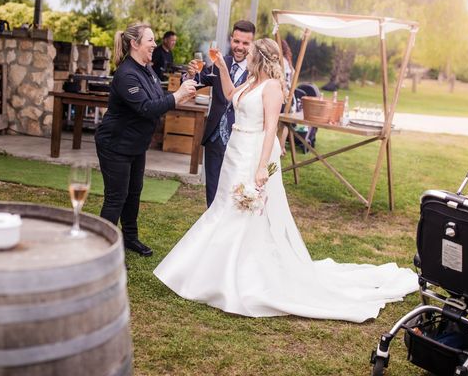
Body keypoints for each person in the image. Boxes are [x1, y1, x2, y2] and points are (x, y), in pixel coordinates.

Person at [154, 38, 417, 321]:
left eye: (251, 53)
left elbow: (270, 129)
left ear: (261, 58)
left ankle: (237, 278)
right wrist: (221, 68)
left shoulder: (272, 88)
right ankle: (211, 272)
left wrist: (262, 166)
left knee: (242, 212)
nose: (246, 56)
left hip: (253, 152)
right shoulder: (250, 82)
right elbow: (231, 97)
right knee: (223, 207)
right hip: (235, 150)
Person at [95, 23, 197, 257]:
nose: (154, 44)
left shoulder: (146, 69)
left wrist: (184, 85)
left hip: (136, 145)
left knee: (134, 192)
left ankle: (130, 238)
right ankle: (102, 249)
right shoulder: (126, 74)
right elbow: (146, 108)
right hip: (115, 145)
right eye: (150, 40)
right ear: (135, 44)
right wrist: (178, 95)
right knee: (116, 198)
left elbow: (158, 99)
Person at [185, 20, 255, 207]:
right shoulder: (219, 62)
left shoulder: (256, 70)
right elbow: (200, 80)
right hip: (214, 136)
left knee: (235, 188)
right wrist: (191, 74)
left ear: (252, 44)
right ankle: (211, 223)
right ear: (231, 39)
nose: (239, 47)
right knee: (213, 188)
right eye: (237, 41)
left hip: (239, 139)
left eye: (245, 43)